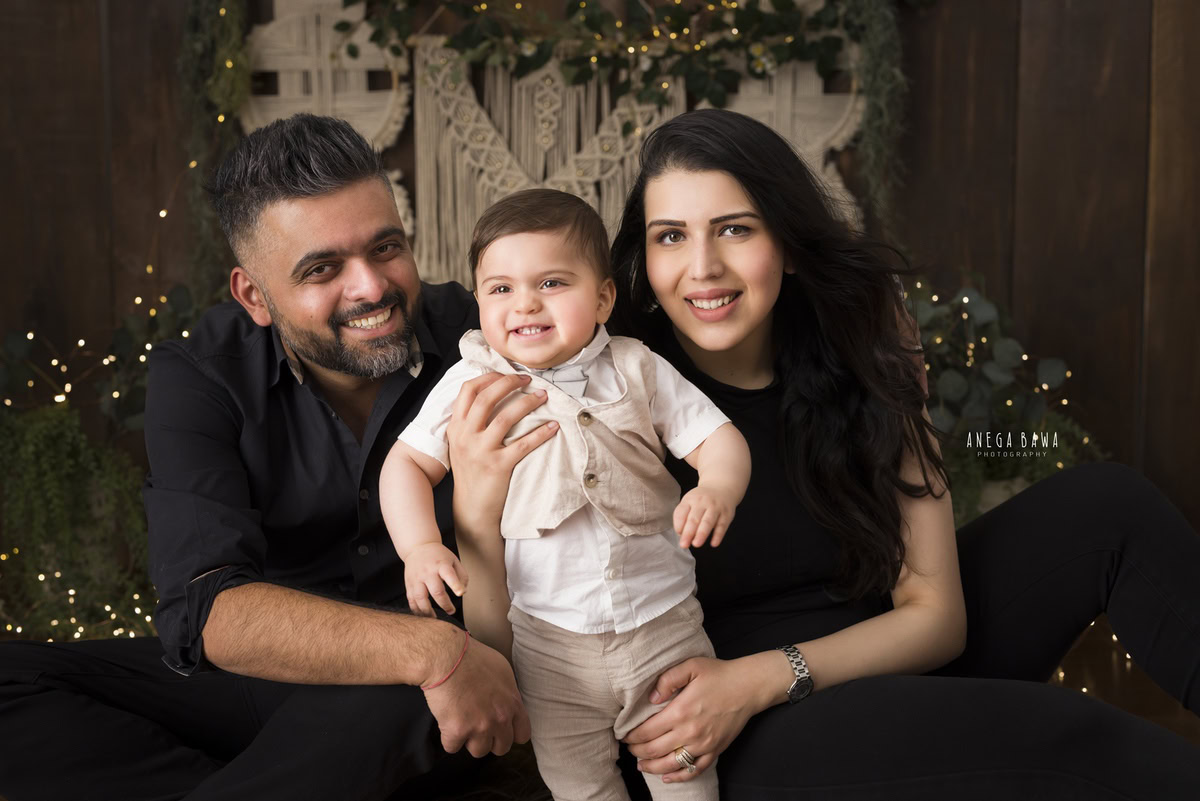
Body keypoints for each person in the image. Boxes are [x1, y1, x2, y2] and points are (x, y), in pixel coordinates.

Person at [448, 108, 1200, 800]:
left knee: (1110, 506)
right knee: (1072, 732)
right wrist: (475, 515)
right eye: (671, 235)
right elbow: (507, 651)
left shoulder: (860, 349)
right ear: (637, 262)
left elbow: (937, 618)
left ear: (789, 243)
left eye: (736, 229)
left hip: (827, 666)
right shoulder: (603, 388)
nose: (702, 267)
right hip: (716, 726)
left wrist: (761, 678)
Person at [0, 114, 552, 800]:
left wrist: (439, 650)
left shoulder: (496, 336)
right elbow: (205, 608)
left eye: (387, 248)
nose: (372, 287)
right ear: (254, 296)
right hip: (275, 683)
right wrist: (427, 649)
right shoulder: (201, 372)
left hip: (426, 694)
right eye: (323, 268)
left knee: (408, 686)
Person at [380, 188, 751, 801]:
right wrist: (419, 546)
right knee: (578, 783)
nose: (524, 303)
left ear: (602, 297)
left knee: (684, 771)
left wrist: (717, 485)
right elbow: (405, 467)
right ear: (480, 303)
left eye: (552, 283)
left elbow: (719, 438)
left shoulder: (636, 367)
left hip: (664, 625)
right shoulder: (471, 381)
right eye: (500, 289)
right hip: (550, 645)